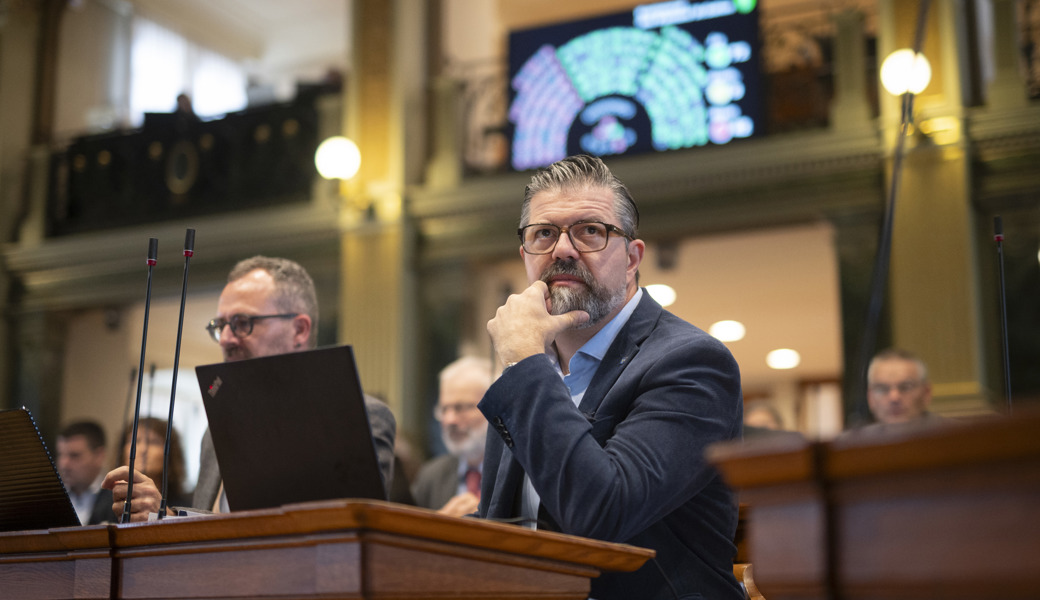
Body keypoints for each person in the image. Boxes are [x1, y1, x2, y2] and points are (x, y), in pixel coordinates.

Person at [478, 155, 744, 600]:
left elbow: (601, 512)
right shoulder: (528, 369)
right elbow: (506, 524)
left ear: (632, 259)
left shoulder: (692, 364)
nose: (563, 249)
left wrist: (524, 362)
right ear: (525, 257)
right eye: (544, 234)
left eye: (590, 231)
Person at [104, 256, 396, 520]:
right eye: (221, 325)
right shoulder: (216, 431)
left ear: (299, 330)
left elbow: (345, 536)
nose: (226, 339)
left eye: (243, 323)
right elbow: (212, 533)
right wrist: (160, 517)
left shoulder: (359, 417)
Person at [411, 356, 493, 517]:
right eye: (444, 409)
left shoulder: (520, 473)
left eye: (461, 408)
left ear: (493, 407)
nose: (450, 420)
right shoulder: (431, 476)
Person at [844, 348, 949, 437]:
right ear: (870, 398)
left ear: (926, 393)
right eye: (882, 389)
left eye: (906, 387)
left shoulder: (954, 438)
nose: (894, 398)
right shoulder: (852, 446)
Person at [119, 417, 191, 508]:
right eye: (136, 441)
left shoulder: (184, 508)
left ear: (171, 454)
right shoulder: (104, 502)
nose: (143, 449)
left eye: (153, 442)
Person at [56, 421, 117, 525]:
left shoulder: (117, 497)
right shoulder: (51, 498)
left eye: (74, 455)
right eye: (61, 455)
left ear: (99, 456)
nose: (64, 464)